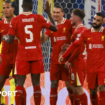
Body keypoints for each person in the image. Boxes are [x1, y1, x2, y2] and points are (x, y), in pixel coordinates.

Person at [2, 0, 57, 105]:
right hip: (36, 55)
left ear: (22, 6)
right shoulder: (39, 18)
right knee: (36, 84)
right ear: (32, 6)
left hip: (22, 56)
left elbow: (9, 41)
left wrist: (5, 37)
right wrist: (49, 13)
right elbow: (55, 28)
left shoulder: (15, 20)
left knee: (19, 84)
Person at [59, 12, 105, 105]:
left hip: (102, 67)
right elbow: (75, 45)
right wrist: (64, 56)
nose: (95, 21)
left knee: (102, 87)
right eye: (94, 19)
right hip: (90, 67)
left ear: (103, 21)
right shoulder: (86, 33)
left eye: (98, 20)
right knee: (92, 91)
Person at [41, 5, 75, 105]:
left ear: (63, 13)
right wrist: (39, 30)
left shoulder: (69, 23)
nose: (55, 14)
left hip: (67, 60)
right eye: (54, 12)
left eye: (57, 12)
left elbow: (76, 40)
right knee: (54, 84)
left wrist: (69, 47)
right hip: (55, 60)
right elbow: (43, 40)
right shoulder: (51, 25)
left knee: (69, 86)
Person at [60, 9, 88, 105]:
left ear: (76, 18)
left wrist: (68, 59)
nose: (70, 18)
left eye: (71, 16)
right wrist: (68, 49)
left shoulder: (80, 30)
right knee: (75, 88)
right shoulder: (80, 30)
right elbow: (77, 45)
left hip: (78, 63)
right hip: (77, 62)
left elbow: (79, 48)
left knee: (79, 88)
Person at [0, 1, 19, 105]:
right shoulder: (1, 24)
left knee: (18, 85)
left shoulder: (19, 22)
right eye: (4, 8)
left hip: (18, 57)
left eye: (8, 7)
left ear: (13, 9)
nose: (5, 10)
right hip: (5, 57)